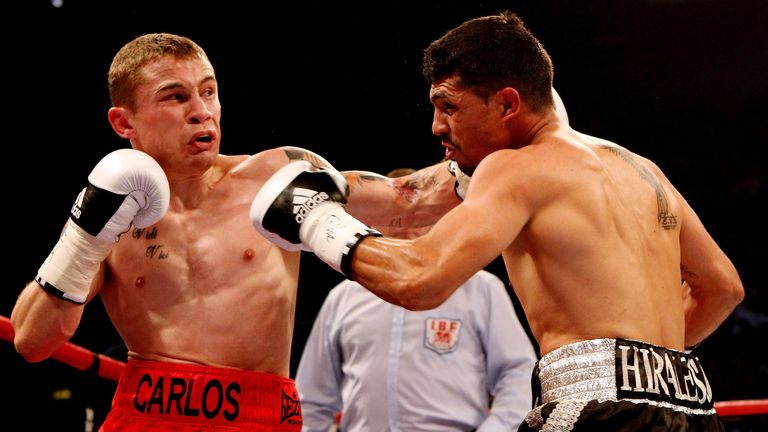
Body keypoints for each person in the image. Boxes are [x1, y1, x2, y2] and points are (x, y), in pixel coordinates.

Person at [251, 11, 745, 432]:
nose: (436, 126)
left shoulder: (514, 167)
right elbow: (722, 288)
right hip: (692, 408)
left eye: (449, 106)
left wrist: (316, 222)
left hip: (593, 411)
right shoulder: (641, 169)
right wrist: (642, 366)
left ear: (508, 103)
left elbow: (419, 279)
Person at [10, 32, 463, 431]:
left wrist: (512, 145)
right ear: (123, 122)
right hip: (144, 412)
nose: (202, 111)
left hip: (260, 414)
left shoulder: (277, 173)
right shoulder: (113, 211)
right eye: (175, 97)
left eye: (209, 92)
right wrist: (84, 237)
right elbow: (32, 341)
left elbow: (412, 201)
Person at [295, 168, 537, 432]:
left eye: (418, 218)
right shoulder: (342, 298)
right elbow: (313, 399)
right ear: (372, 223)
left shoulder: (480, 288)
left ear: (439, 221)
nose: (409, 226)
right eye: (397, 218)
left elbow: (517, 372)